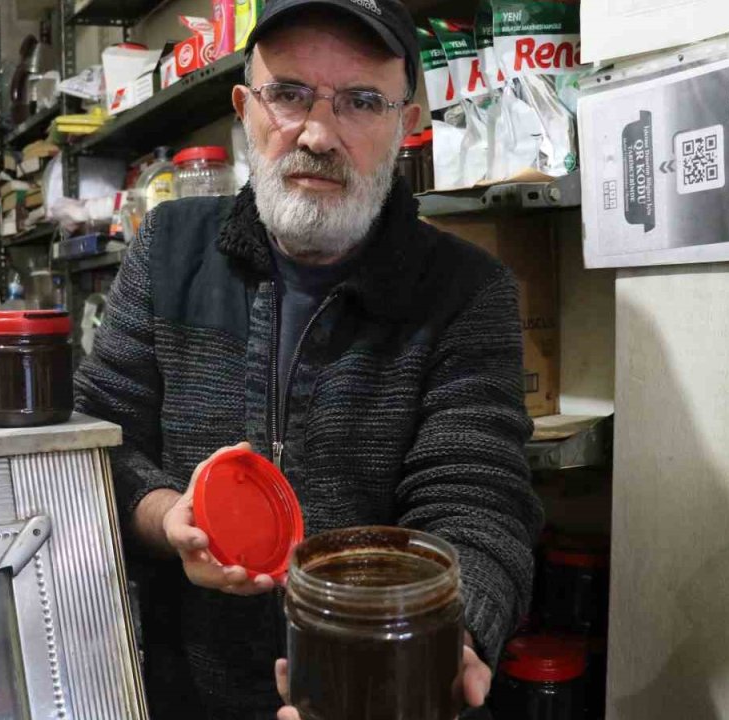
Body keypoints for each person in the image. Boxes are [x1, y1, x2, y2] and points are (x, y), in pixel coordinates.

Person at [74, 0, 544, 715]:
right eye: (288, 94)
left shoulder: (466, 291)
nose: (318, 134)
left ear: (408, 123)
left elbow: (476, 503)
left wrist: (449, 639)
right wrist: (173, 516)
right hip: (177, 690)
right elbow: (99, 441)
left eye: (360, 101)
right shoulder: (168, 248)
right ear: (244, 107)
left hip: (370, 691)